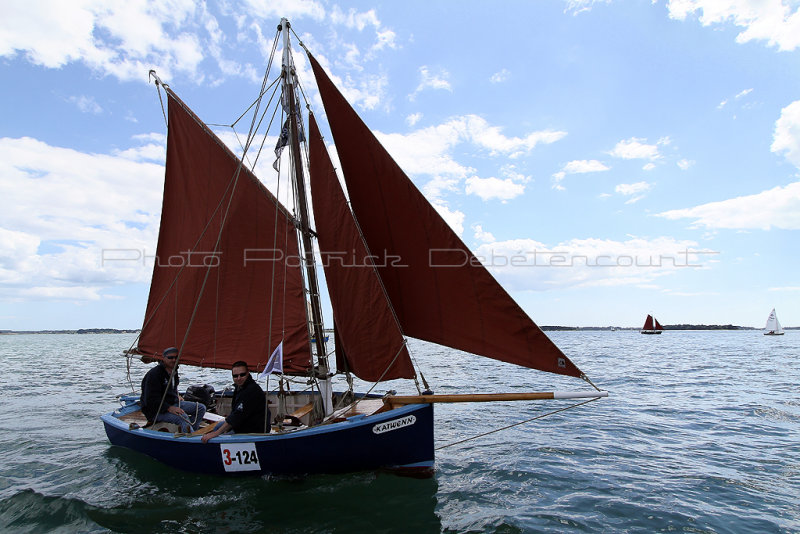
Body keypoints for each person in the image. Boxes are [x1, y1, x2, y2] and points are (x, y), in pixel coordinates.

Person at [140, 347, 206, 433]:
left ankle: (192, 431)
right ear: (163, 358)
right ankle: (190, 438)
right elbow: (150, 400)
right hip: (155, 411)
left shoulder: (173, 371)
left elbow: (171, 389)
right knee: (183, 417)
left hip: (172, 403)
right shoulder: (154, 375)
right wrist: (169, 408)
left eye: (176, 357)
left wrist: (177, 396)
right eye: (170, 357)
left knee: (200, 408)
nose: (174, 360)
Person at [201, 361, 267, 442]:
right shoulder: (240, 387)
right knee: (217, 427)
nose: (239, 378)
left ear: (248, 373)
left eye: (242, 375)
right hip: (242, 423)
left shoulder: (251, 391)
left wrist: (216, 433)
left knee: (218, 436)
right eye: (235, 376)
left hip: (252, 430)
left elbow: (237, 416)